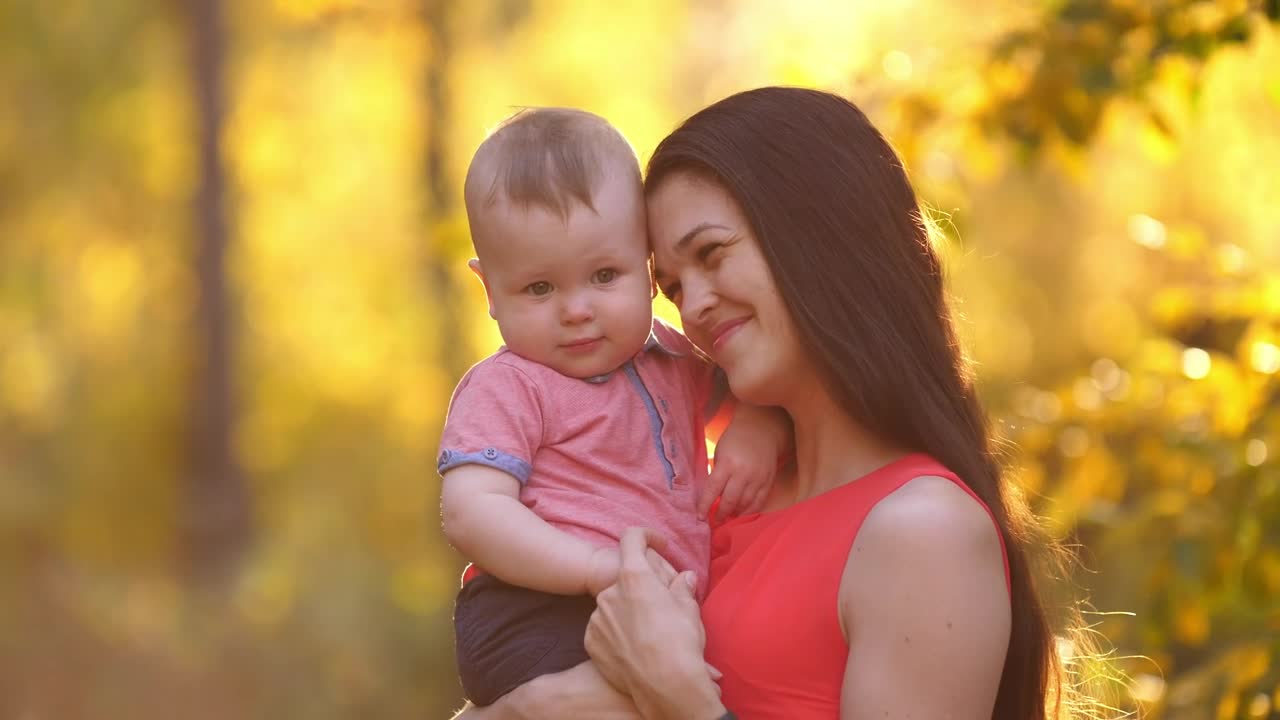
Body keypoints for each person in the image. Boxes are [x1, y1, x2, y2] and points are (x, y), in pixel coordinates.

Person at [458, 87, 1085, 719]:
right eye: (672, 285)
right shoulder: (722, 498)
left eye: (712, 255)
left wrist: (684, 703)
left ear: (819, 237)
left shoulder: (923, 530)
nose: (693, 305)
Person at [439, 107, 791, 708]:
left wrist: (759, 426)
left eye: (604, 275)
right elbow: (471, 512)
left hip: (649, 603)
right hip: (537, 606)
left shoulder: (672, 361)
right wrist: (591, 567)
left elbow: (754, 393)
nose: (577, 309)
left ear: (649, 271)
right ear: (490, 292)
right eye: (540, 288)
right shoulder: (511, 386)